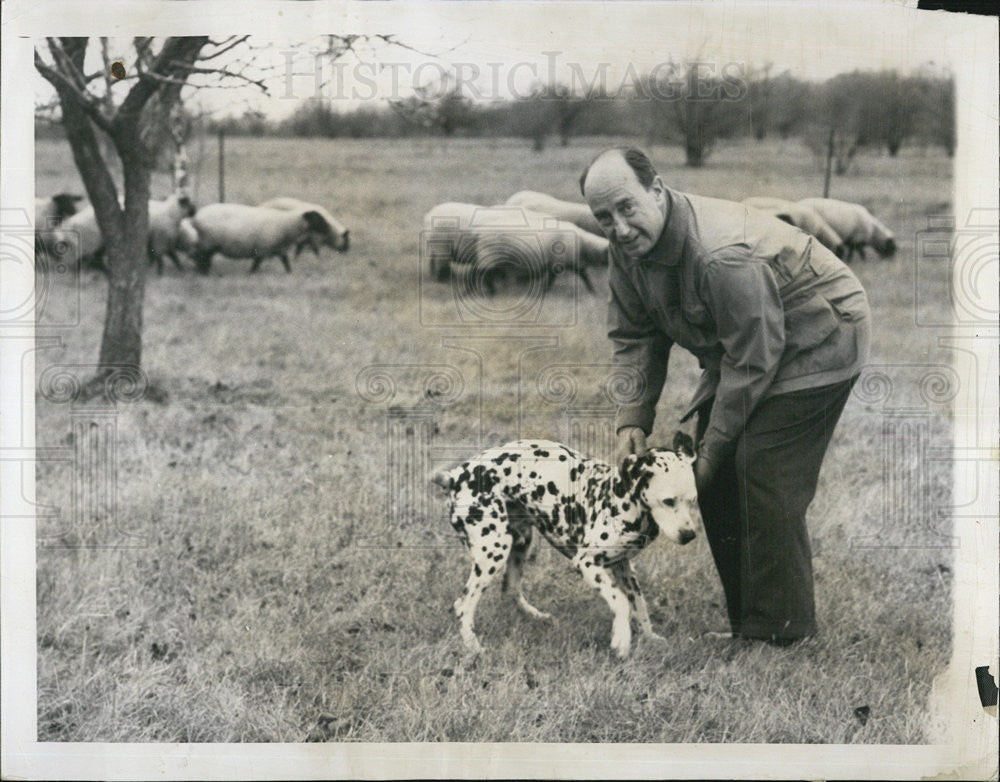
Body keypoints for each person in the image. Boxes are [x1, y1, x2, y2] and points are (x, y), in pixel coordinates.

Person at [580, 146, 871, 645]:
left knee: (759, 471)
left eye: (627, 207)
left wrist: (713, 447)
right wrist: (632, 420)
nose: (619, 227)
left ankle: (784, 636)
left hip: (819, 336)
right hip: (747, 343)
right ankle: (751, 626)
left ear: (656, 189)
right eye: (604, 217)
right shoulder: (625, 253)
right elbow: (634, 336)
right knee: (703, 479)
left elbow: (754, 360)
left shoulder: (720, 255)